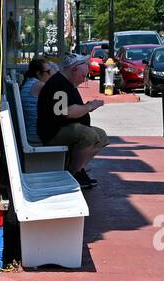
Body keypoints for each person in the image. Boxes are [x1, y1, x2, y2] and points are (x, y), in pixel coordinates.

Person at [36, 54, 109, 189]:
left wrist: (87, 107)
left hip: (65, 129)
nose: (84, 79)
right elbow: (66, 112)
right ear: (74, 70)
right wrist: (90, 106)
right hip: (53, 132)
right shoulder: (58, 84)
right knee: (87, 135)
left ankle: (79, 169)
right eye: (83, 76)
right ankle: (73, 174)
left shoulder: (69, 84)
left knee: (101, 136)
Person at [19, 55, 55, 147]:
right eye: (48, 72)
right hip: (37, 135)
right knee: (79, 135)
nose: (50, 74)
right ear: (39, 73)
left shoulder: (28, 83)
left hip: (30, 132)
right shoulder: (40, 86)